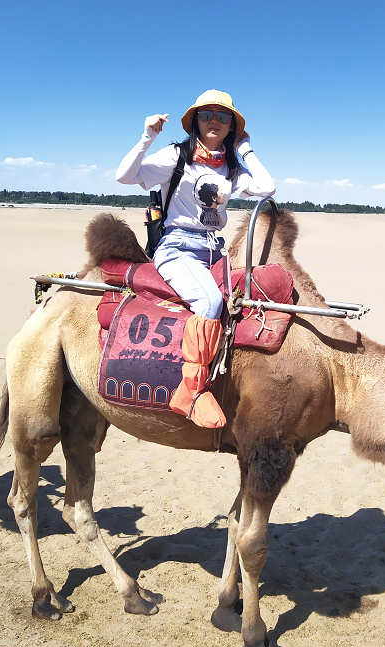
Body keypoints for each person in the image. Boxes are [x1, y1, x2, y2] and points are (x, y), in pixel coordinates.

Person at [116, 90, 275, 428]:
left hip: (215, 250)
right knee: (209, 302)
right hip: (177, 247)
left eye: (223, 116)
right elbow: (125, 176)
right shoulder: (176, 156)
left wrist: (245, 149)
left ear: (231, 126)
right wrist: (148, 136)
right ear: (196, 121)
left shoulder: (231, 169)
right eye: (206, 114)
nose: (214, 121)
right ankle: (191, 391)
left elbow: (268, 187)